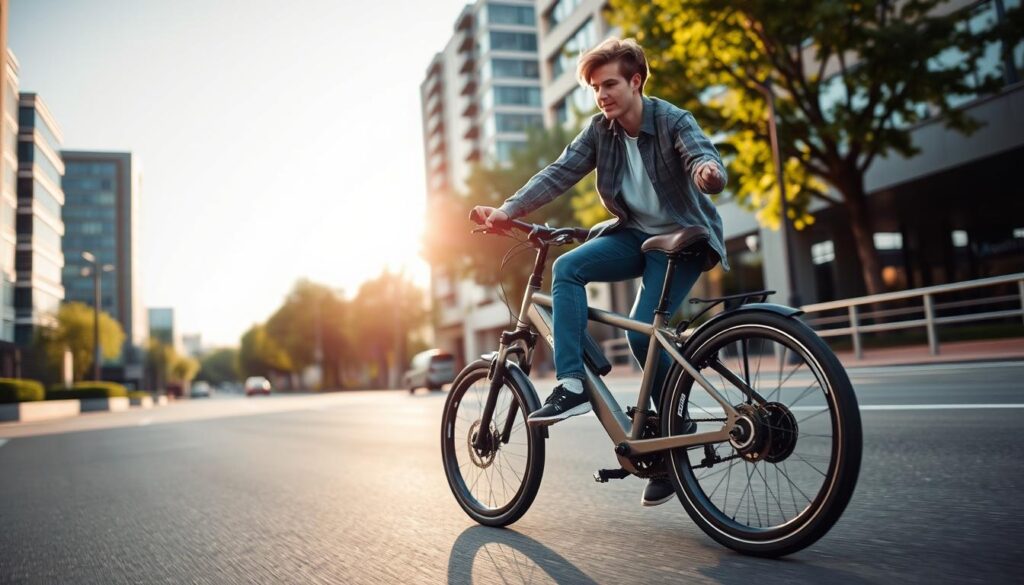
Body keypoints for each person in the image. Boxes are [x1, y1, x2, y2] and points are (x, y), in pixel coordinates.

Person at [471, 38, 728, 507]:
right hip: (635, 236)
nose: (602, 94)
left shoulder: (671, 119)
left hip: (683, 240)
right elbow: (559, 171)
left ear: (635, 81)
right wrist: (508, 210)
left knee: (640, 334)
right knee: (569, 267)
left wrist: (707, 171)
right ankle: (573, 384)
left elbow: (700, 155)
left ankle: (675, 421)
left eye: (609, 83)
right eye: (594, 88)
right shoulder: (599, 131)